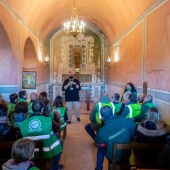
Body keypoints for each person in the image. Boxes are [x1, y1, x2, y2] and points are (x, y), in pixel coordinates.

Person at [20, 100, 63, 170]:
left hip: (29, 152)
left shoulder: (23, 123)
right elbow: (57, 128)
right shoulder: (48, 120)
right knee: (60, 142)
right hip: (47, 151)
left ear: (31, 110)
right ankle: (55, 167)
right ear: (42, 109)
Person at [95, 105, 136, 170]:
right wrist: (128, 135)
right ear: (113, 113)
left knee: (100, 148)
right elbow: (134, 126)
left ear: (102, 118)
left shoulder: (101, 131)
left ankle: (98, 168)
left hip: (112, 156)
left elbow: (99, 142)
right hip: (127, 154)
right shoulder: (123, 120)